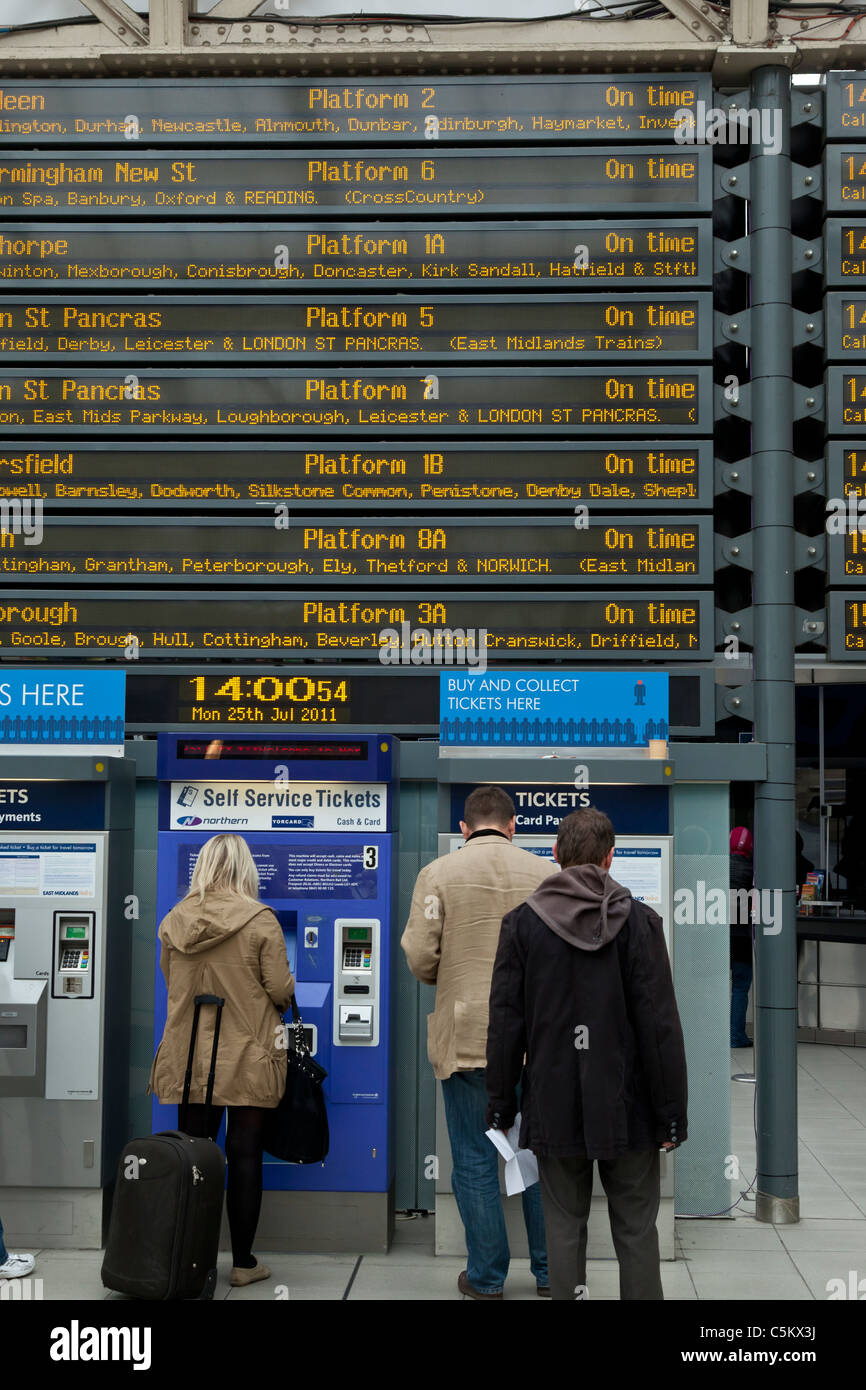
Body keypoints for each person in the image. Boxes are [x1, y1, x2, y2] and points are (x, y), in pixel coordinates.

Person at [485, 807, 687, 1301]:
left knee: (564, 1226)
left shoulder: (522, 926)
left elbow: (506, 1025)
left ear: (554, 855)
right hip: (630, 1104)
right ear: (610, 858)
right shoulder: (641, 923)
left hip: (554, 1101)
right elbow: (660, 1028)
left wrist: (501, 1105)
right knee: (638, 1228)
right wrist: (671, 1117)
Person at [401, 784, 557, 1300]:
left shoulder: (438, 874)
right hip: (538, 1040)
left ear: (465, 829)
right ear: (514, 826)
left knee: (473, 1156)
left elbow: (421, 958)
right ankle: (550, 1274)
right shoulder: (545, 875)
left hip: (467, 1036)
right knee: (535, 1153)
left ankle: (487, 1278)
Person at [149, 833, 294, 1288]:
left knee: (195, 1157)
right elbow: (280, 989)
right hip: (247, 1053)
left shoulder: (174, 921)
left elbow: (171, 980)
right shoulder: (260, 920)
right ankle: (244, 1263)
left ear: (203, 868)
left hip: (190, 1054)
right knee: (244, 1154)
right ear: (244, 869)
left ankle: (192, 1259)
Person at [730, 826, 754, 1049]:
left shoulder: (716, 866)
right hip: (742, 936)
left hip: (716, 935)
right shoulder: (753, 869)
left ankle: (709, 1030)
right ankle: (736, 1035)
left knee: (711, 986)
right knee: (740, 986)